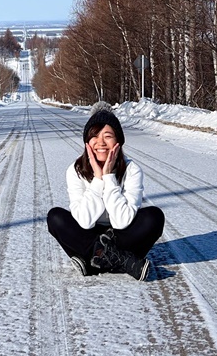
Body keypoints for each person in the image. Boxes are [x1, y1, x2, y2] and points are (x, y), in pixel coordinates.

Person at [46, 105, 165, 280]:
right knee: (55, 217)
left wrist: (109, 177)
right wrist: (98, 180)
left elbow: (121, 222)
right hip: (89, 233)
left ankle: (93, 262)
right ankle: (122, 260)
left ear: (118, 142)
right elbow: (85, 222)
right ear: (87, 142)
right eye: (94, 136)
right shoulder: (75, 170)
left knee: (154, 217)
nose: (100, 142)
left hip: (121, 234)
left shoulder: (132, 170)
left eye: (107, 136)